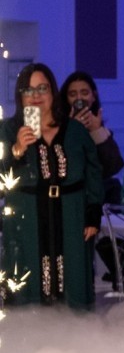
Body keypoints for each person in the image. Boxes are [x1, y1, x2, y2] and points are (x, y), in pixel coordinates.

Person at [0, 64, 103, 311]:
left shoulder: (75, 130)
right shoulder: (8, 130)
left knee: (73, 281)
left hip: (71, 216)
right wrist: (17, 151)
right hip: (27, 219)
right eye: (28, 90)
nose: (35, 96)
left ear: (53, 92)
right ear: (20, 95)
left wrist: (93, 213)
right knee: (28, 283)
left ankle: (77, 331)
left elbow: (94, 171)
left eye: (42, 88)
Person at [60, 71, 124, 204]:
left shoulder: (100, 129)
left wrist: (96, 131)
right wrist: (71, 131)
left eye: (84, 93)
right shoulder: (57, 129)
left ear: (93, 97)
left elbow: (114, 167)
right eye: (73, 94)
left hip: (97, 201)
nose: (79, 98)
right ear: (66, 99)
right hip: (69, 199)